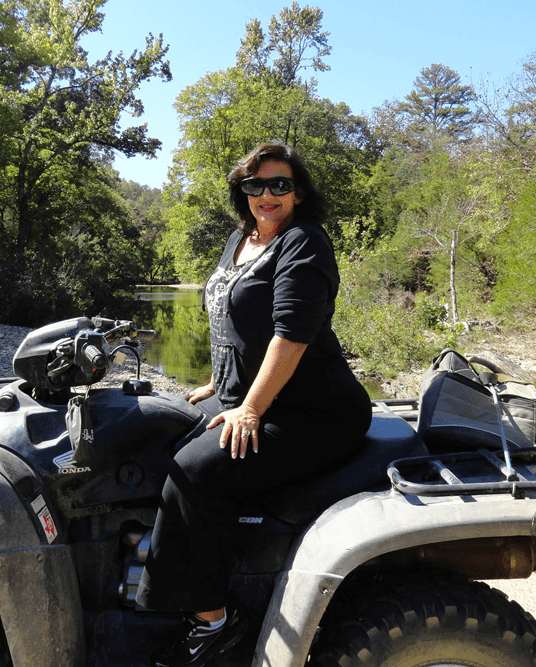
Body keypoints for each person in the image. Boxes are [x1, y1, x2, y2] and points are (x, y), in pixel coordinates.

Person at [136, 140, 372, 667]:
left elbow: (291, 336)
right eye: (254, 185)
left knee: (196, 469)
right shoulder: (241, 239)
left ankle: (214, 624)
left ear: (298, 192)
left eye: (279, 185)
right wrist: (217, 383)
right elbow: (234, 322)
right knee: (154, 433)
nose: (266, 195)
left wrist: (249, 408)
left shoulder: (303, 242)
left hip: (313, 410)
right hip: (256, 396)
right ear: (241, 191)